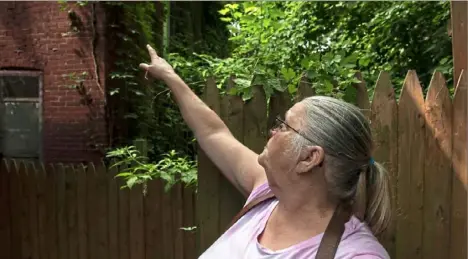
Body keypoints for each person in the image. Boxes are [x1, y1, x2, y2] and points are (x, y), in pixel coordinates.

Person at [140, 44, 392, 259]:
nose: (273, 131)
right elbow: (214, 133)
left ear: (309, 158)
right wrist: (169, 75)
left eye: (285, 126)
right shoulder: (266, 193)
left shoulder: (355, 254)